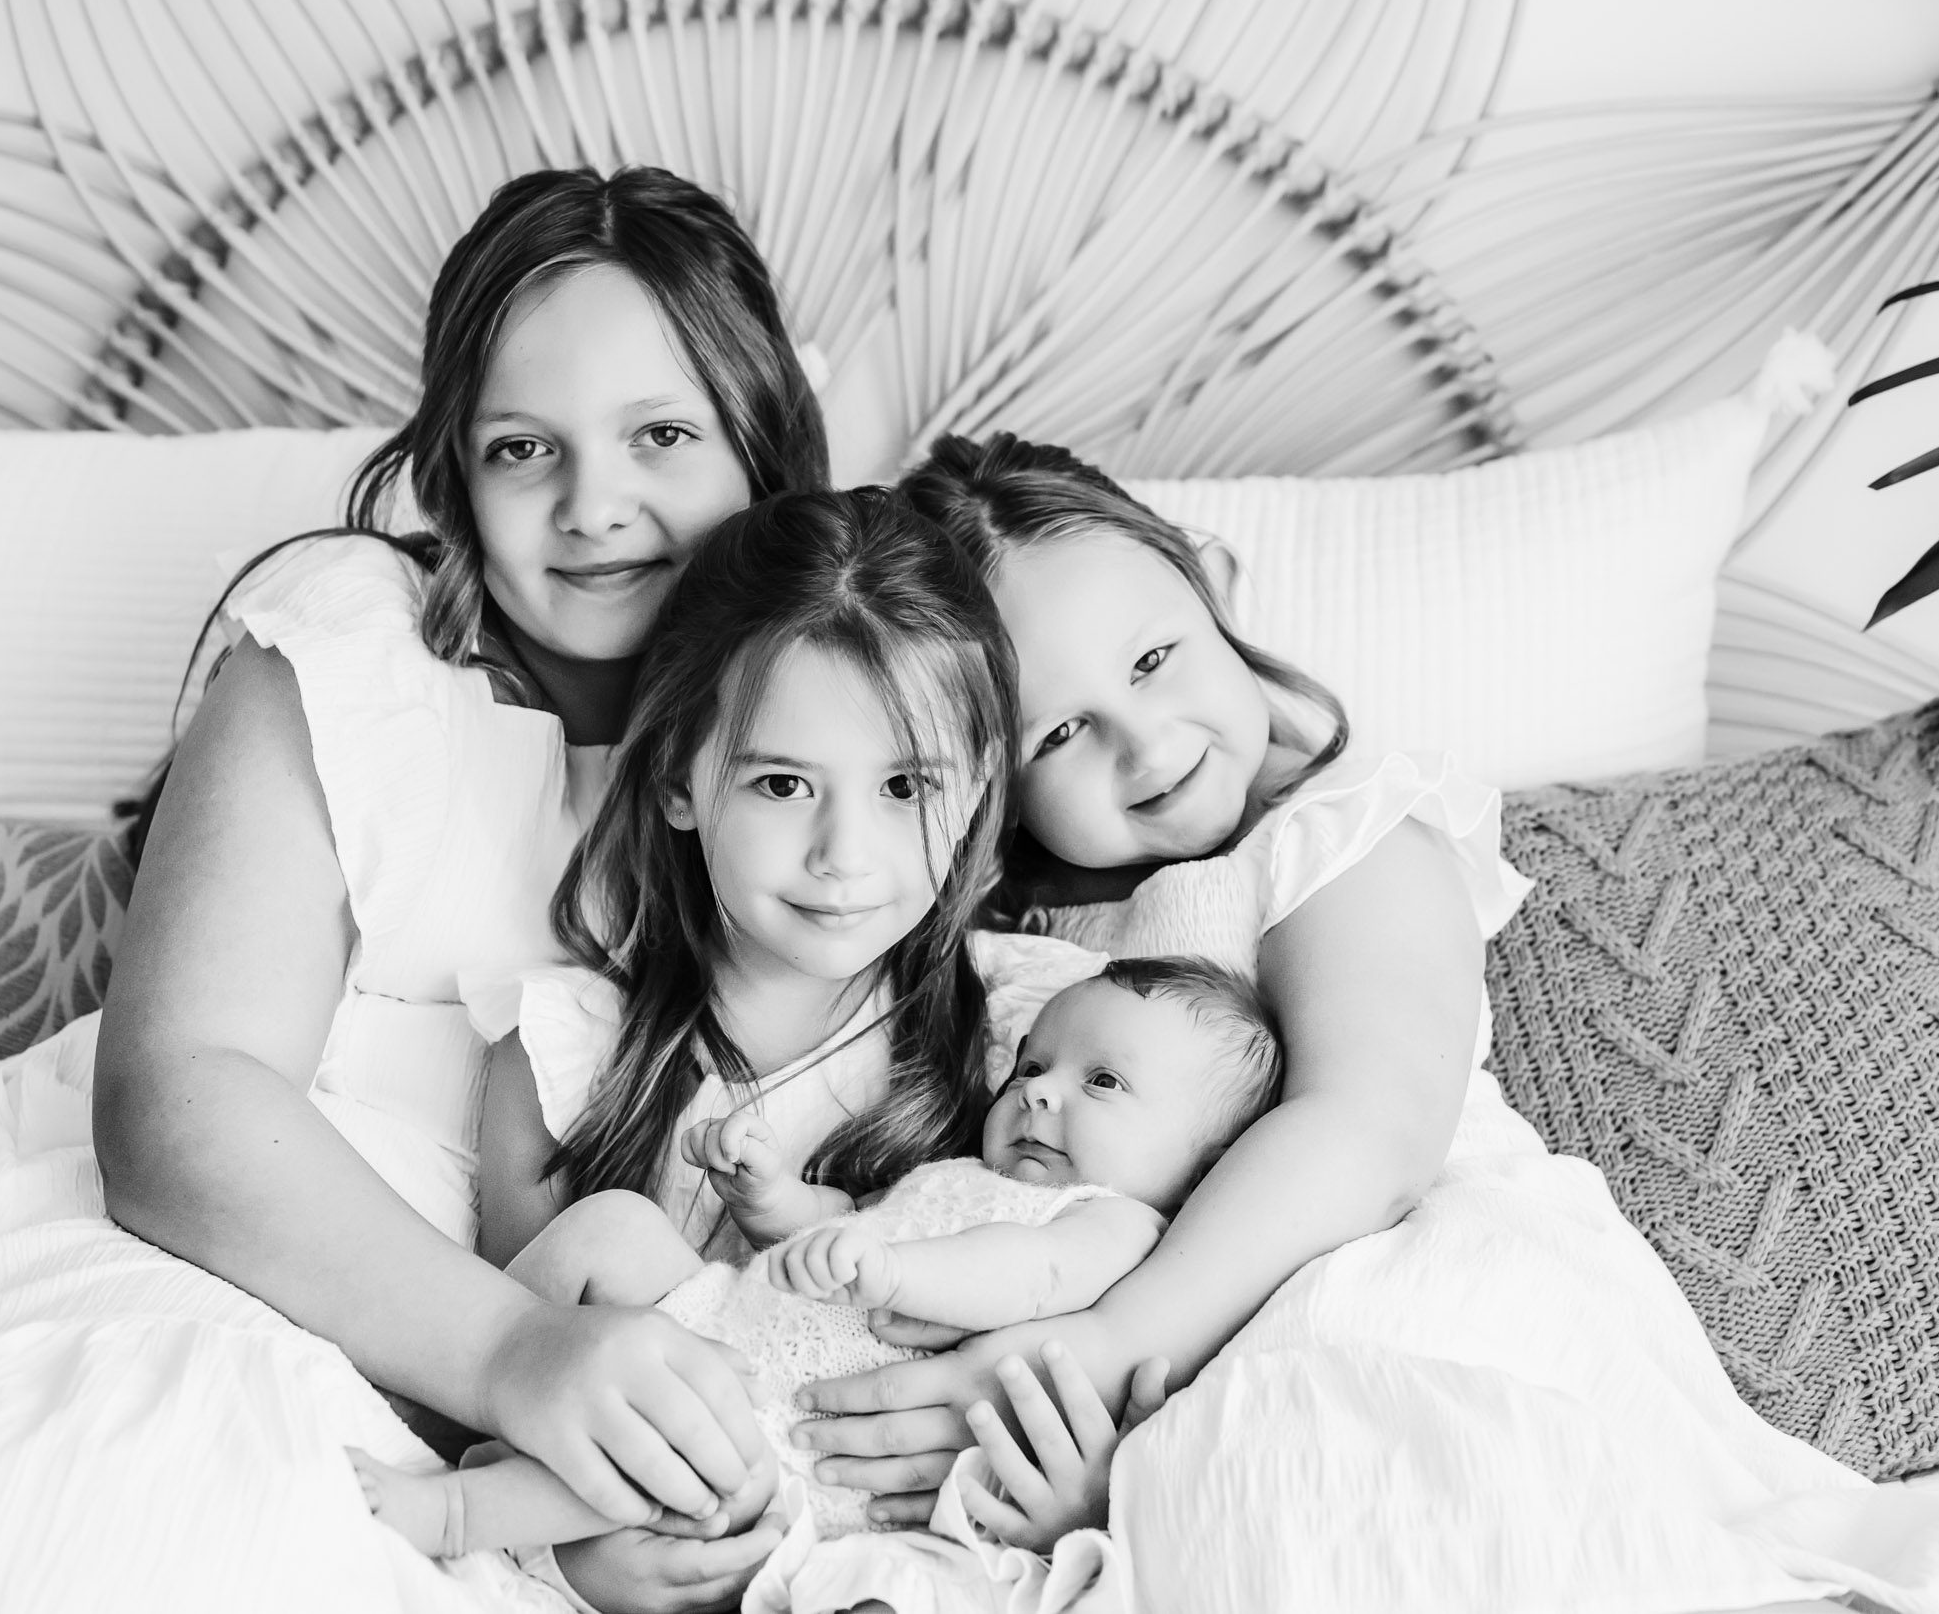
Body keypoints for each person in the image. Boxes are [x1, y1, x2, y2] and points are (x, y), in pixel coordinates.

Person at [79, 165, 834, 1609]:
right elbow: (175, 1094)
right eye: (522, 448)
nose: (594, 505)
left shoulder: (852, 726)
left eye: (662, 434)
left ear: (763, 443)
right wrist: (515, 1354)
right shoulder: (357, 659)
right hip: (232, 1293)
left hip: (579, 1437)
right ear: (452, 474)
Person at [781, 430, 1496, 1525]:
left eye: (1154, 659)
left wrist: (1108, 1345)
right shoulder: (1009, 930)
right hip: (1074, 1391)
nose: (1147, 746)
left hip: (1357, 1310)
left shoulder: (1336, 837)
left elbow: (1368, 1127)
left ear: (1207, 584)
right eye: (1061, 731)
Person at [355, 953, 1279, 1586]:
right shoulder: (969, 1172)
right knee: (614, 1226)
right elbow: (848, 1226)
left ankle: (457, 1514)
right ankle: (453, 1385)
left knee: (673, 1456)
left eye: (1102, 1081)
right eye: (1033, 1064)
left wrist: (895, 1271)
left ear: (1205, 1162)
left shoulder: (1118, 1225)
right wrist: (774, 1202)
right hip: (731, 1318)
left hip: (799, 1433)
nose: (1039, 1089)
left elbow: (1027, 1275)